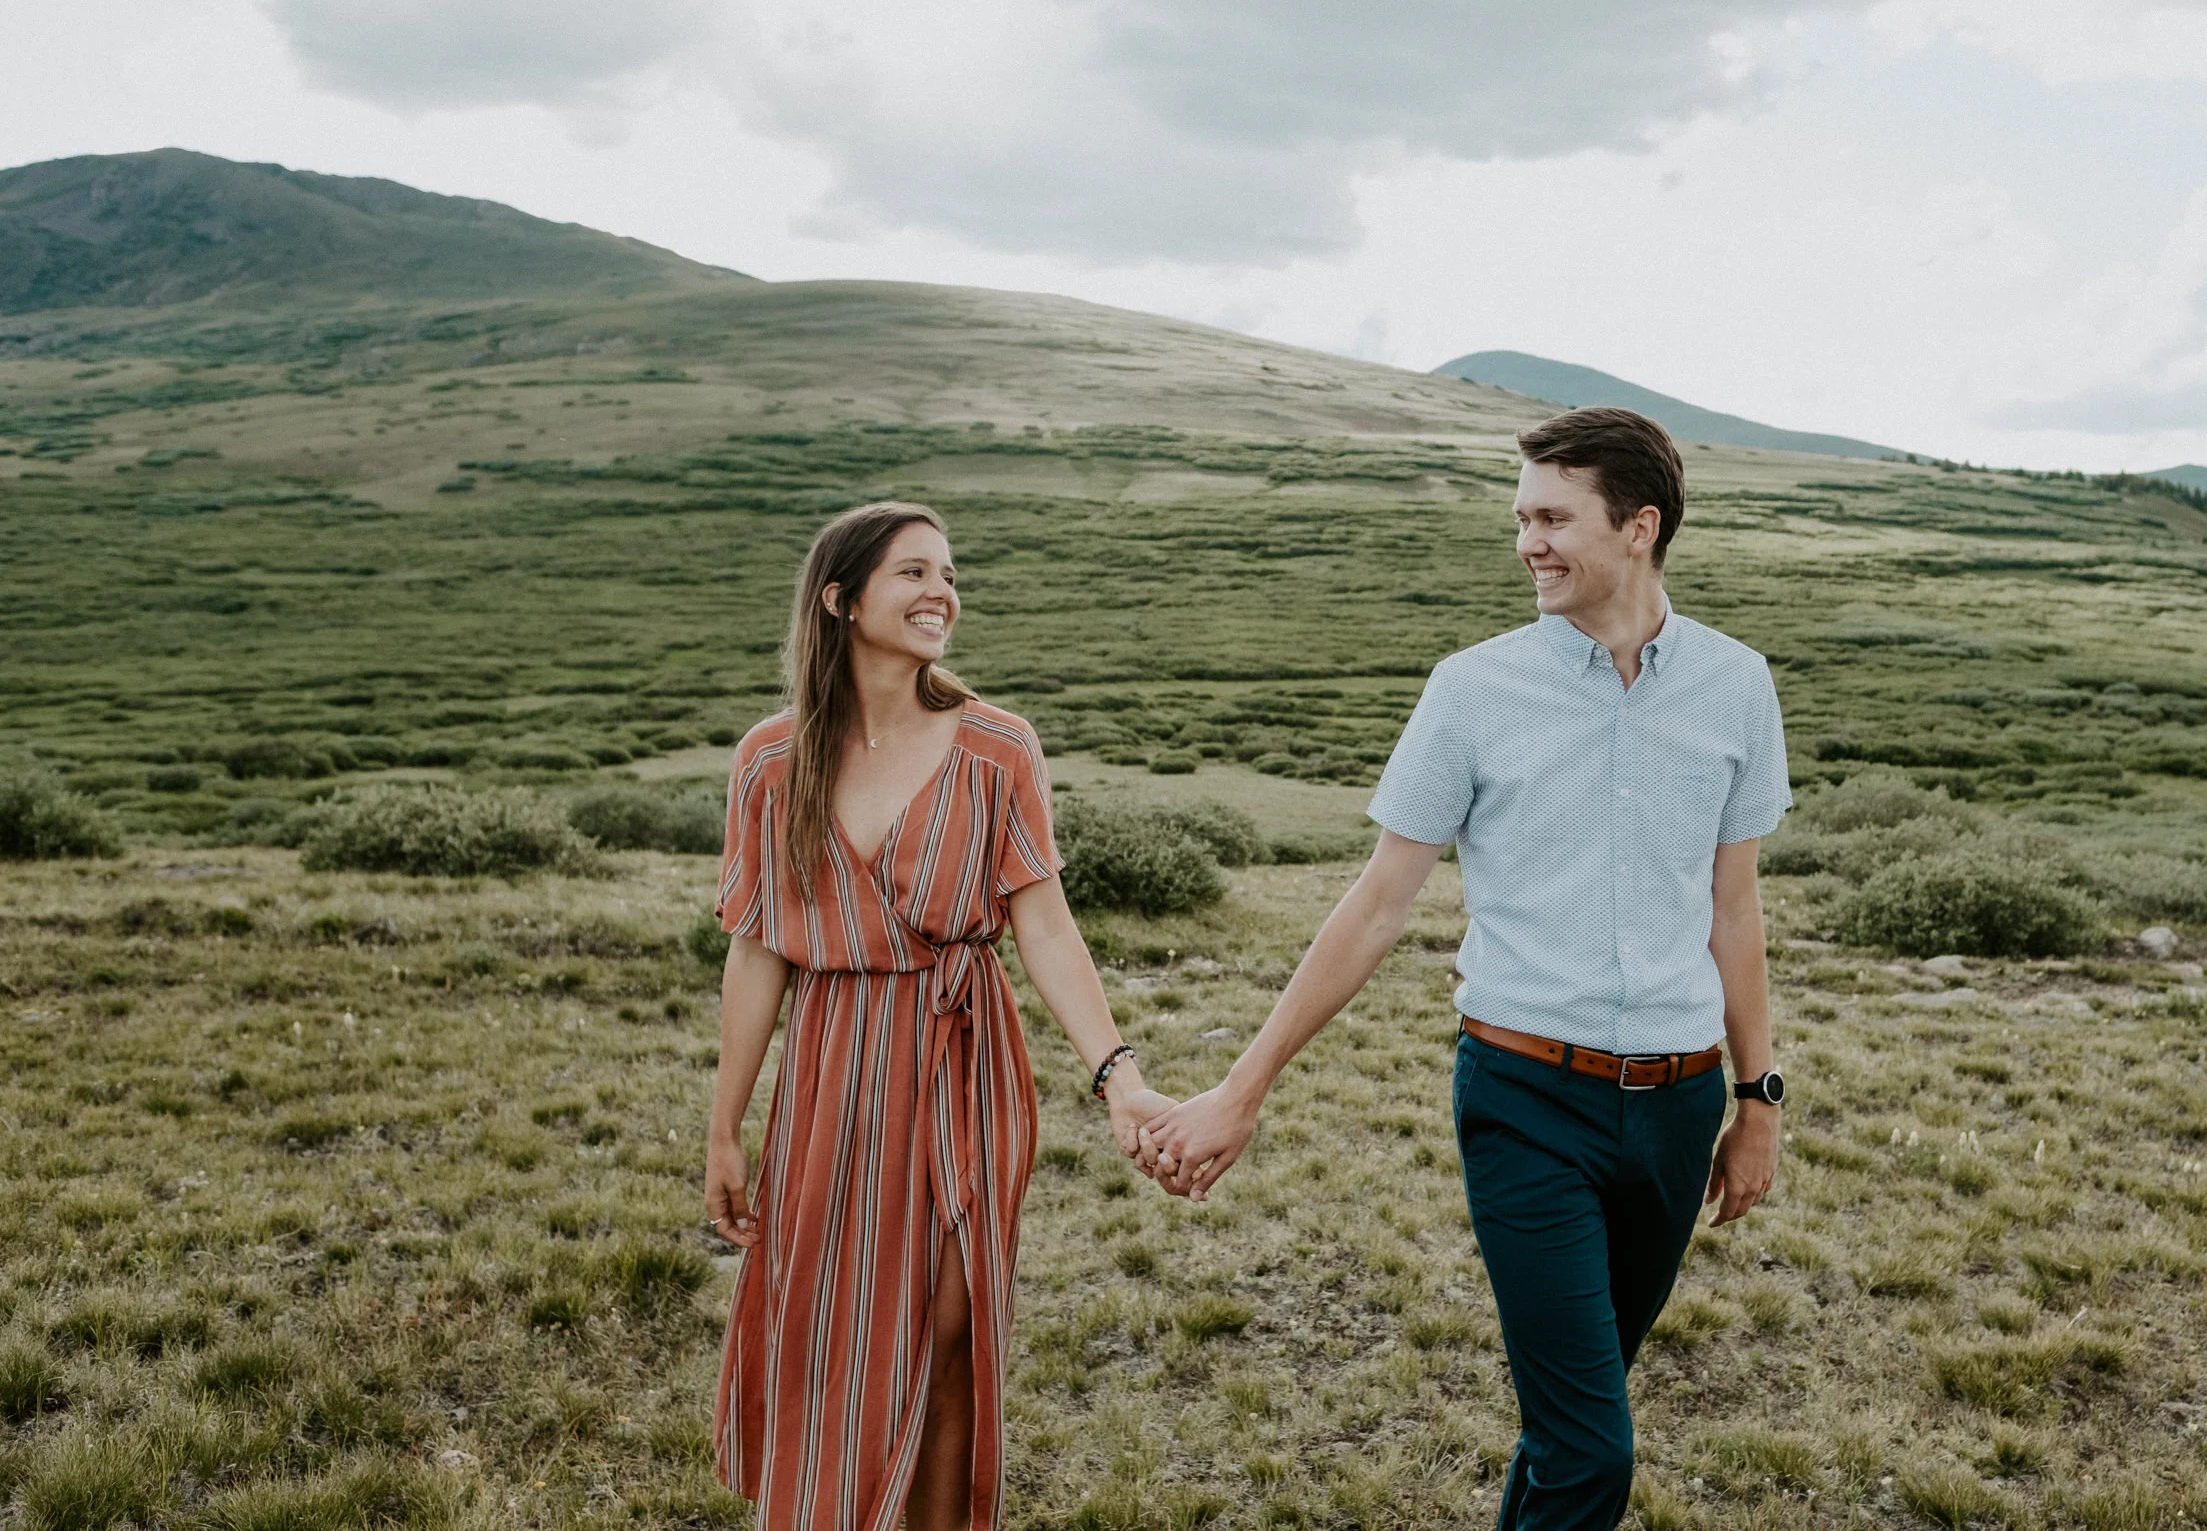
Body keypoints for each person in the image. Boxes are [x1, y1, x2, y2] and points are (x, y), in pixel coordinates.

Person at [1142, 406, 1791, 1531]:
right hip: (1526, 1099)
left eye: (1552, 516)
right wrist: (1240, 1087)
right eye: (1519, 517)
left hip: (1680, 1106)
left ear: (1638, 526)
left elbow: (1733, 907)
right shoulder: (1472, 688)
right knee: (1593, 1451)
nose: (1527, 542)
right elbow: (1377, 901)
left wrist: (1758, 1097)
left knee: (1567, 1429)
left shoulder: (1736, 685)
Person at [703, 500, 1168, 1531]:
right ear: (840, 599)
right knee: (831, 1327)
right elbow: (759, 945)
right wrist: (725, 1126)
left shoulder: (999, 745)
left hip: (964, 1052)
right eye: (913, 571)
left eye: (949, 572)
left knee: (951, 1325)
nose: (941, 591)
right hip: (830, 1063)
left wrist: (1119, 1075)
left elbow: (1044, 927)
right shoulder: (770, 759)